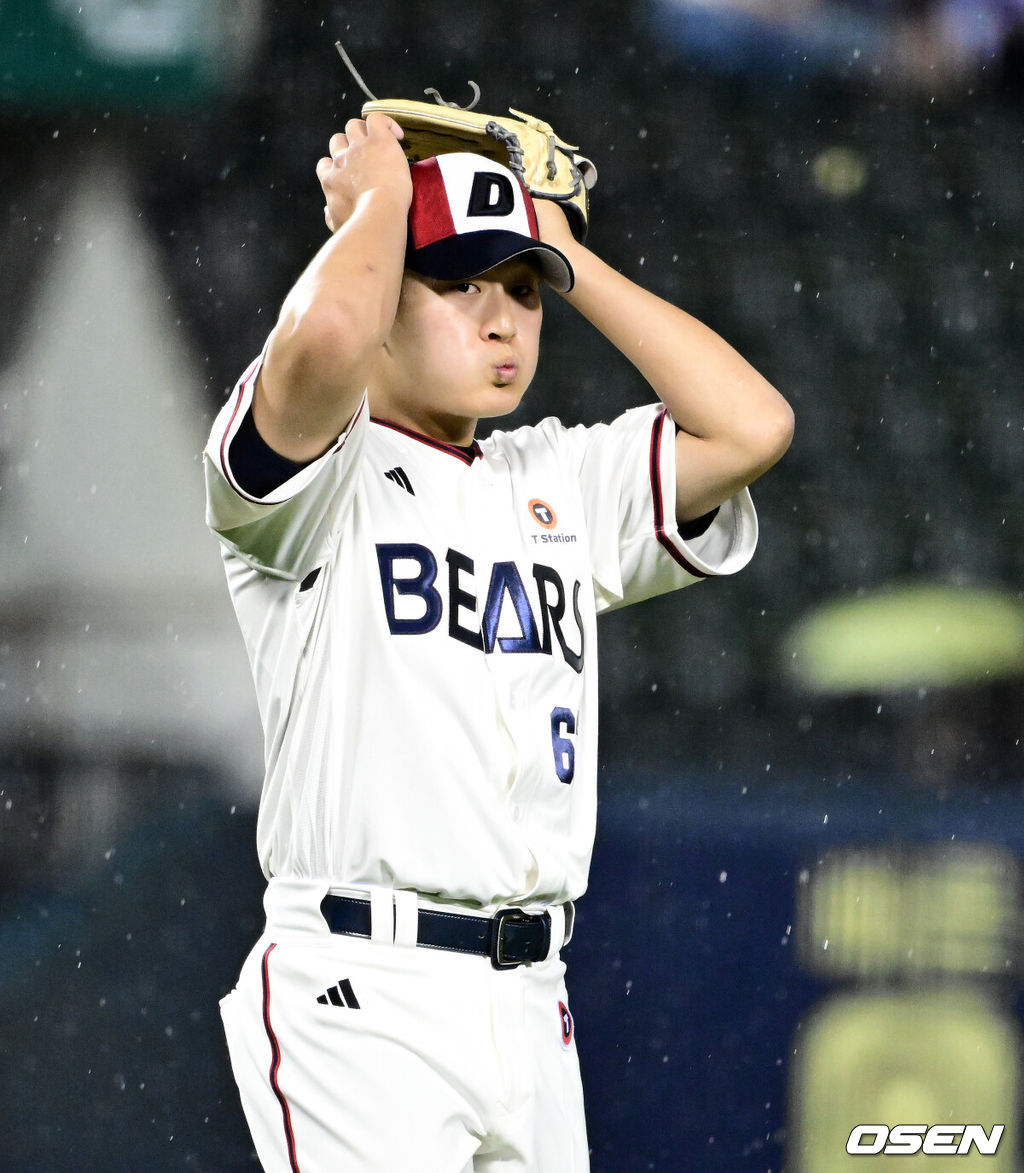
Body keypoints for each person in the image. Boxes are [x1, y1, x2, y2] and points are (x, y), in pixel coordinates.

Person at [204, 112, 793, 1173]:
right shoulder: (313, 485)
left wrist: (571, 253)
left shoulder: (554, 477)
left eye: (522, 292)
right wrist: (378, 203)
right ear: (382, 290)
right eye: (459, 284)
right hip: (362, 988)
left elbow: (751, 427)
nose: (502, 321)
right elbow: (329, 340)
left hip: (531, 999)